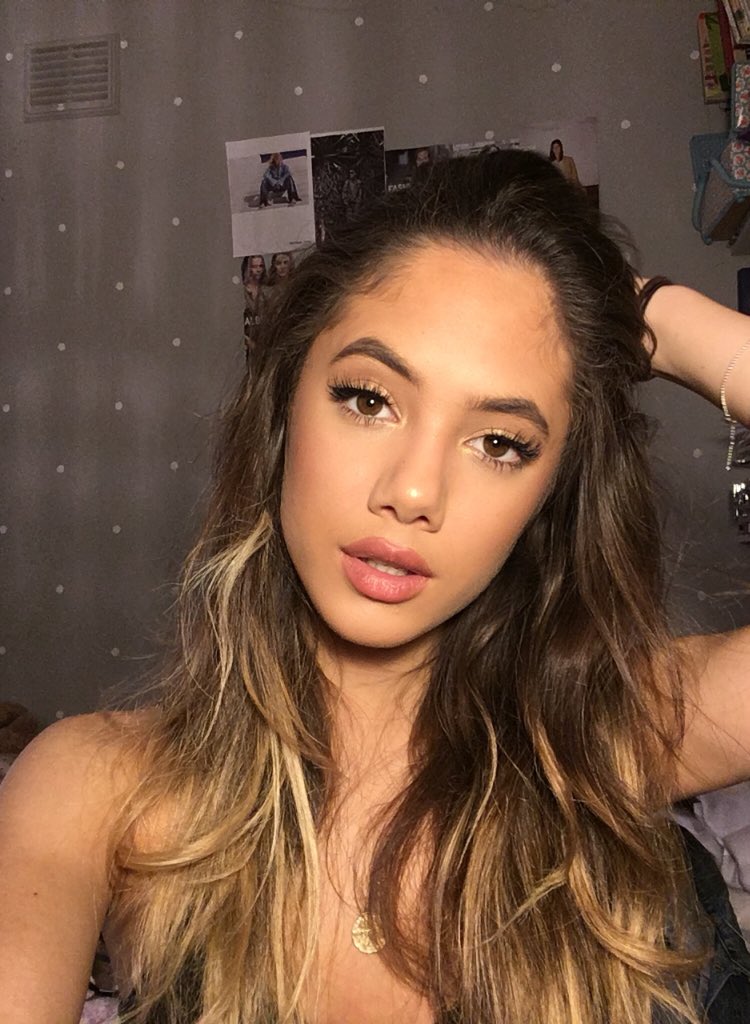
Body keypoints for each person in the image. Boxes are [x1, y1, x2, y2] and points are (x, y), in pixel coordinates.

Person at [2, 149, 750, 1024]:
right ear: (283, 400)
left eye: (499, 442)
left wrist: (650, 315)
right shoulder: (94, 788)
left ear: (550, 495)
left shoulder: (608, 729)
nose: (414, 490)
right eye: (367, 399)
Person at [241, 254, 271, 360]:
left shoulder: (267, 291)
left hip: (264, 343)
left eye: (261, 266)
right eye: (254, 266)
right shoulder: (240, 291)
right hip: (245, 344)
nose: (258, 270)